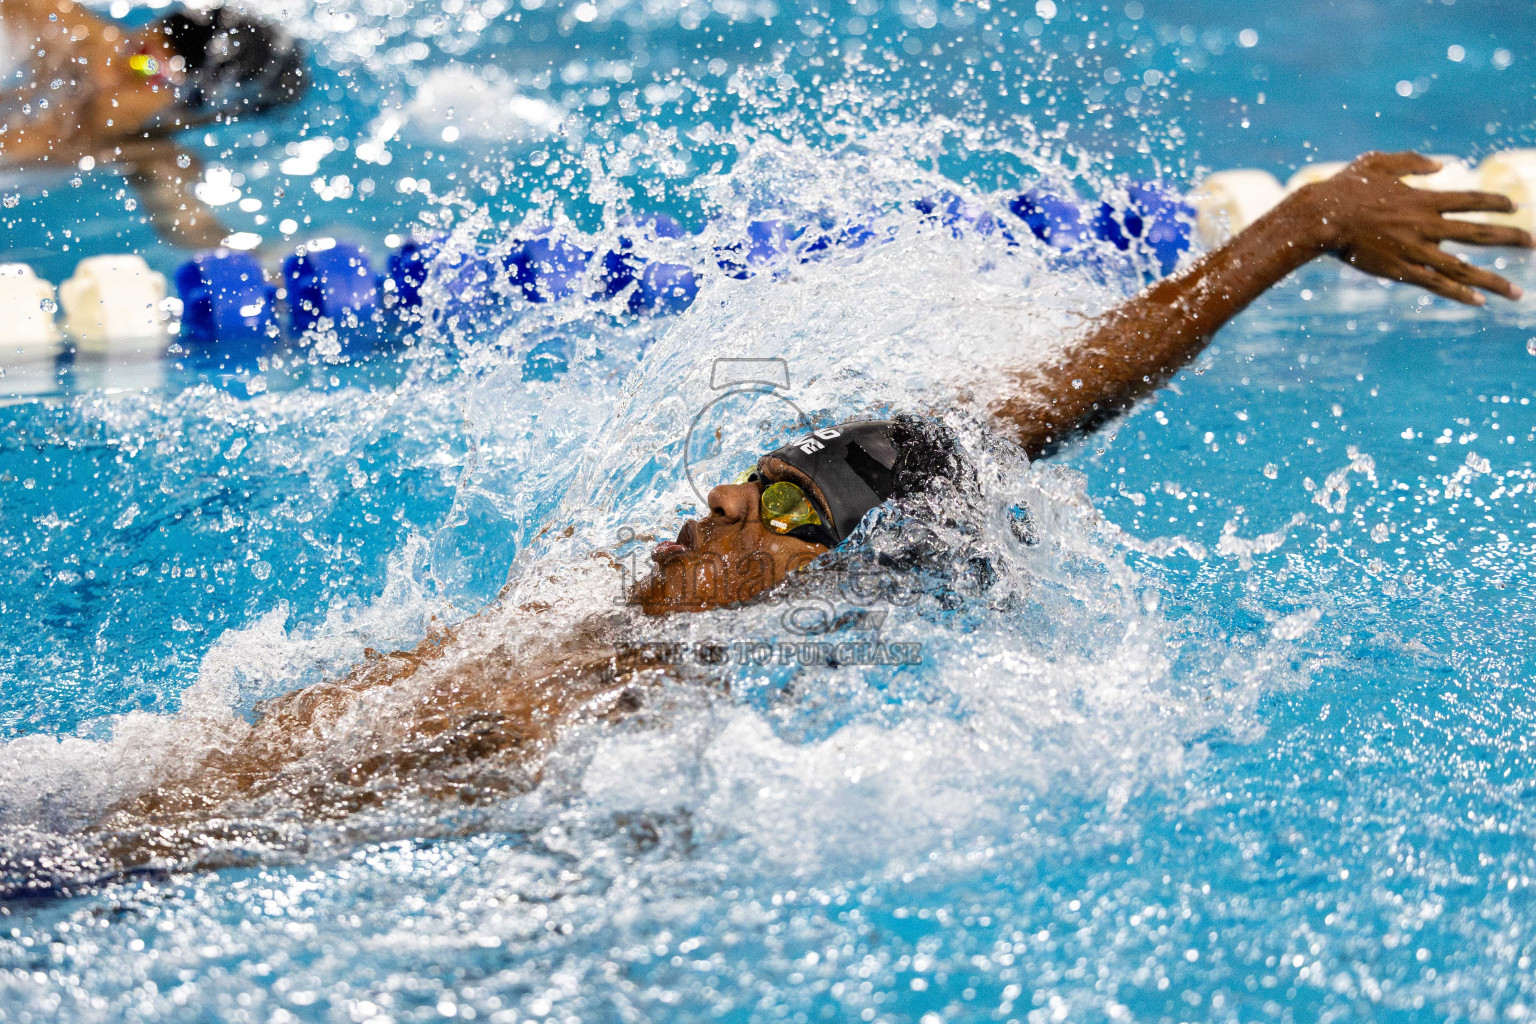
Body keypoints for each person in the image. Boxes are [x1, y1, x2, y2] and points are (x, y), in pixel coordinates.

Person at [11, 151, 1532, 890]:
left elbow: (1025, 423)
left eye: (788, 505)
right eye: (760, 470)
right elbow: (980, 426)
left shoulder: (623, 696)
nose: (730, 495)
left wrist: (1297, 232)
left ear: (821, 577)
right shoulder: (604, 610)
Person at [0, 0, 306, 246]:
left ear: (186, 116)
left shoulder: (147, 155)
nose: (109, 71)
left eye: (148, 68)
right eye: (132, 48)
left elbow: (198, 232)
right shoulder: (53, 21)